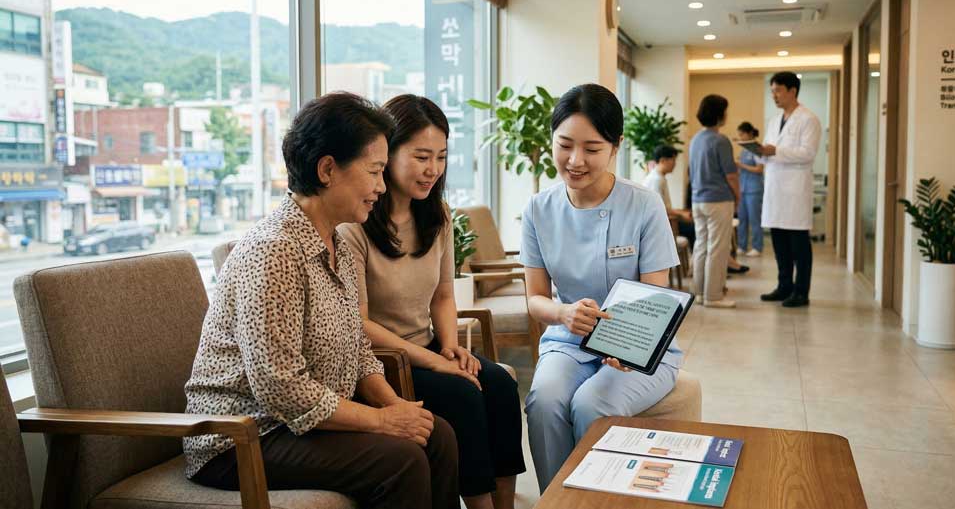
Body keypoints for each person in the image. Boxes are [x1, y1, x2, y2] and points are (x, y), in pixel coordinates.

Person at [183, 92, 459, 509]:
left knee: (437, 435)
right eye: (375, 172)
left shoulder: (337, 245)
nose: (381, 187)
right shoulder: (273, 251)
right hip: (244, 437)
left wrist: (398, 408)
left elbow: (359, 350)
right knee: (401, 461)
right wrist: (381, 421)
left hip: (301, 426)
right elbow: (281, 386)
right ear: (328, 169)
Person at [338, 94, 525, 509]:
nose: (433, 169)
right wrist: (436, 362)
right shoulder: (356, 223)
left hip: (424, 347)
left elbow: (443, 295)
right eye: (421, 156)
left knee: (500, 385)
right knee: (463, 395)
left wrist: (450, 346)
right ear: (387, 153)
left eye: (440, 157)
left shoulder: (438, 215)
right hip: (381, 361)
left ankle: (504, 507)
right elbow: (360, 323)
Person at [521, 83, 683, 492]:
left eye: (592, 149)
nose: (575, 161)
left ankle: (598, 501)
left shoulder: (643, 204)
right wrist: (563, 313)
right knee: (544, 401)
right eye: (565, 145)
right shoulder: (539, 209)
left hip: (640, 346)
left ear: (616, 146)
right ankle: (556, 500)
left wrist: (628, 346)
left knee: (591, 404)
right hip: (567, 339)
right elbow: (535, 297)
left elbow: (656, 298)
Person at [757, 72, 822, 308]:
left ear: (792, 91)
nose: (774, 95)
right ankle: (784, 286)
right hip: (775, 188)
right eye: (772, 90)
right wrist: (761, 152)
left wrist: (775, 152)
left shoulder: (808, 119)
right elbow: (769, 151)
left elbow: (808, 153)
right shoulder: (774, 121)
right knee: (779, 243)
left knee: (798, 245)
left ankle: (801, 291)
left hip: (795, 189)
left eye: (778, 90)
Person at [688, 94, 740, 308]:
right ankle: (714, 296)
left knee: (701, 245)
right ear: (720, 114)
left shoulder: (695, 139)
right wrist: (738, 196)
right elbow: (731, 175)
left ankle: (699, 293)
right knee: (718, 248)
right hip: (718, 200)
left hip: (698, 199)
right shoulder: (721, 140)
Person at [642, 144, 694, 235]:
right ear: (662, 160)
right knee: (693, 229)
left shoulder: (659, 177)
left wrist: (681, 213)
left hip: (663, 220)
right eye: (673, 159)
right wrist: (681, 214)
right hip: (657, 225)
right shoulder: (656, 180)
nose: (675, 163)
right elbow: (659, 208)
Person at [735, 121, 765, 257]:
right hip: (743, 188)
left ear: (749, 134)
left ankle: (757, 247)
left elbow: (759, 169)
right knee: (742, 219)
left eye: (741, 134)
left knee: (754, 219)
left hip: (754, 189)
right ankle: (741, 246)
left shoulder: (756, 149)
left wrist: (740, 165)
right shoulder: (744, 150)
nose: (740, 137)